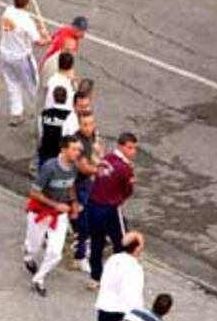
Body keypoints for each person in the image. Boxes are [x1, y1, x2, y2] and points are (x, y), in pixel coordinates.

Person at [23, 135, 81, 297]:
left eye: (78, 149)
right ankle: (28, 256)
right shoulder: (50, 167)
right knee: (34, 246)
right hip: (40, 212)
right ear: (63, 149)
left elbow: (71, 186)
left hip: (60, 215)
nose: (77, 153)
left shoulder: (74, 167)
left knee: (55, 253)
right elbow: (34, 193)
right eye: (74, 149)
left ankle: (38, 279)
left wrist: (74, 203)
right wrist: (55, 205)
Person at [87, 132, 138, 289]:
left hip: (93, 205)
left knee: (97, 243)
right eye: (130, 148)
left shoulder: (106, 159)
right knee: (122, 243)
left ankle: (95, 277)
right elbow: (128, 190)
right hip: (110, 208)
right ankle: (118, 277)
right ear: (122, 147)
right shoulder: (125, 168)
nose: (133, 152)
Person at [0, 0, 50, 126]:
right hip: (21, 58)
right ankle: (43, 115)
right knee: (34, 86)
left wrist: (38, 29)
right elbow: (38, 42)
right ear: (27, 4)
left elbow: (29, 30)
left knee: (12, 83)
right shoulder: (26, 21)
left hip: (6, 55)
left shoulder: (7, 12)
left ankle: (16, 113)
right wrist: (47, 39)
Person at [96, 232, 145, 321]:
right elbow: (132, 295)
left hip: (104, 308)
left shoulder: (113, 259)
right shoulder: (134, 268)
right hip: (120, 313)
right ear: (136, 248)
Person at [72, 110, 103, 272]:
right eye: (85, 124)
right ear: (78, 124)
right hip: (76, 185)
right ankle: (79, 256)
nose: (89, 127)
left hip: (87, 184)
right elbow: (83, 168)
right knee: (83, 222)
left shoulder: (91, 136)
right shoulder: (78, 142)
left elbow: (97, 152)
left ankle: (85, 249)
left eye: (91, 123)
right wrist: (100, 171)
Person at [38, 86, 71, 167]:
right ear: (66, 98)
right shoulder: (69, 116)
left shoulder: (44, 114)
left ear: (53, 97)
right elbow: (69, 135)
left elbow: (40, 132)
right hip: (60, 153)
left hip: (45, 151)